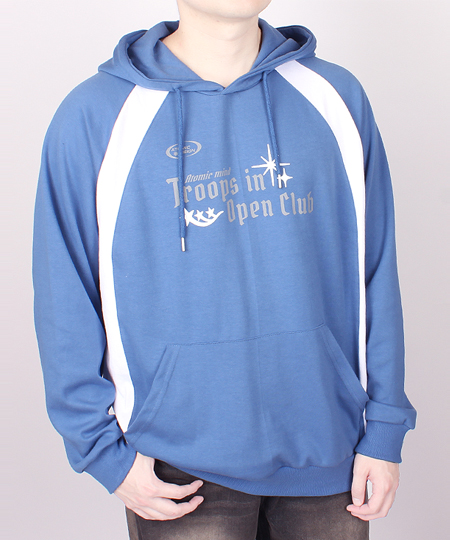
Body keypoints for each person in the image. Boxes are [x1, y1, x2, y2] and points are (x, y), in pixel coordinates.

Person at [33, 1, 417, 538]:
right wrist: (101, 451)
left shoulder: (336, 97)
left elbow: (376, 268)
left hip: (331, 450)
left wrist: (385, 428)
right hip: (177, 466)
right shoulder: (95, 115)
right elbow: (64, 293)